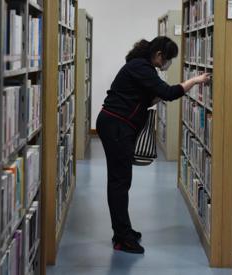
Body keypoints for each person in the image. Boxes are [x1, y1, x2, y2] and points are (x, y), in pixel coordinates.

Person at [96, 36, 211, 254]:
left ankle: (123, 230)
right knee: (120, 182)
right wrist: (194, 81)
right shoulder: (141, 67)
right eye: (168, 59)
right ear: (158, 55)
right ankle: (122, 237)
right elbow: (168, 93)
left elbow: (149, 98)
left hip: (118, 125)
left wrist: (163, 93)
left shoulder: (141, 68)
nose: (168, 64)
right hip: (116, 127)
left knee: (121, 181)